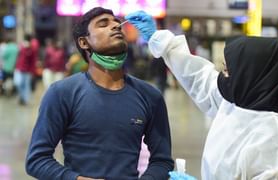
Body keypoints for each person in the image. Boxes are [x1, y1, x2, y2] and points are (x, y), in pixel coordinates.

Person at [125, 11, 278, 179]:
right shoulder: (240, 104)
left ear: (249, 76)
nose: (221, 77)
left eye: (227, 71)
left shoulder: (273, 141)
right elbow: (199, 78)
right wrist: (161, 40)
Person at [25, 7, 173, 180]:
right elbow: (37, 160)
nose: (116, 26)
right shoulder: (62, 93)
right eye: (103, 24)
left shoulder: (150, 96)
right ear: (84, 42)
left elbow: (162, 161)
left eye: (118, 23)